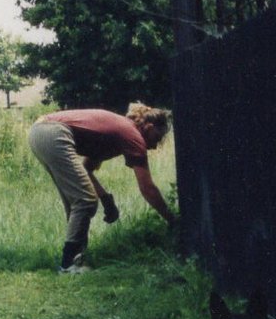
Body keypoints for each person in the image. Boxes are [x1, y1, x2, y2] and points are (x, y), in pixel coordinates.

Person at [28, 102, 176, 273]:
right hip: (53, 132)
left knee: (76, 201)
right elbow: (147, 188)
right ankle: (70, 264)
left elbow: (87, 170)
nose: (155, 146)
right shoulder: (133, 135)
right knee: (85, 201)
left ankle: (76, 258)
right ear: (149, 127)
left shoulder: (117, 132)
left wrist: (106, 199)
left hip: (40, 132)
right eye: (157, 138)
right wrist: (172, 219)